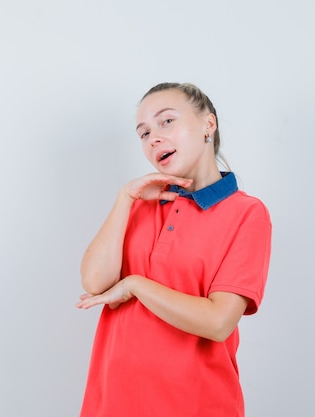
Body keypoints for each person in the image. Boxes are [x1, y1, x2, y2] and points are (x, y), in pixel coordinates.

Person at [75, 82, 272, 417]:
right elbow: (94, 282)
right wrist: (125, 198)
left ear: (208, 124)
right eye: (144, 132)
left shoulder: (247, 213)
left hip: (196, 405)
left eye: (166, 122)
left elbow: (218, 321)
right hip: (112, 404)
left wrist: (135, 285)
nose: (154, 138)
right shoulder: (140, 203)